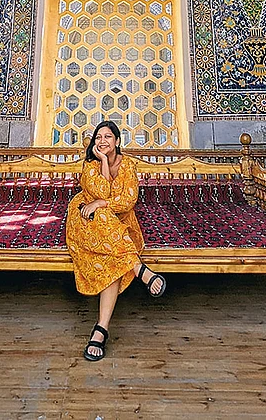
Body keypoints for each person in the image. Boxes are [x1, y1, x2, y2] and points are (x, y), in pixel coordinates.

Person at [65, 119, 167, 361]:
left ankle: (101, 330)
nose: (102, 141)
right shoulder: (89, 165)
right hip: (85, 218)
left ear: (117, 141)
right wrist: (102, 162)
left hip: (119, 225)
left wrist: (101, 203)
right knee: (101, 217)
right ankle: (140, 269)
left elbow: (127, 201)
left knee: (113, 258)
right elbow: (101, 192)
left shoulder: (128, 164)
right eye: (98, 137)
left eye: (108, 137)